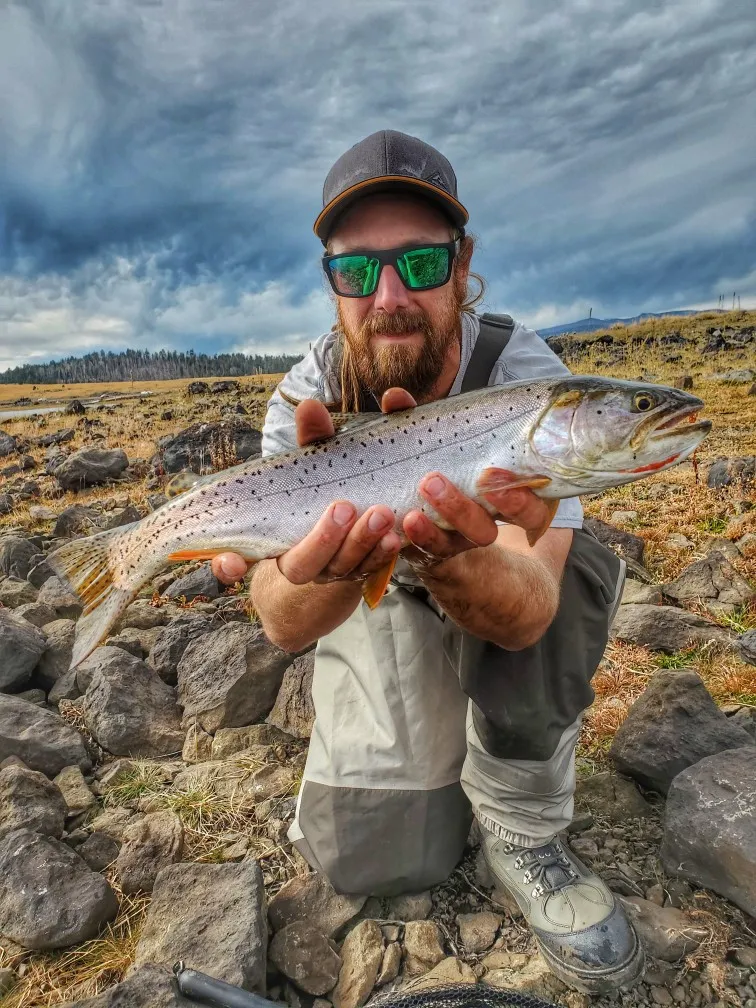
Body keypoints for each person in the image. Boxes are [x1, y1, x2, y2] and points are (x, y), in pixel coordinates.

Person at [212, 130, 643, 995]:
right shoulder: (305, 396)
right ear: (332, 283)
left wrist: (454, 558)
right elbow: (278, 619)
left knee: (578, 571)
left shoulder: (527, 380)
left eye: (420, 262)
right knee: (377, 853)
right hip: (372, 597)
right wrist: (326, 568)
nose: (391, 294)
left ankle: (522, 819)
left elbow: (527, 609)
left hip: (493, 586)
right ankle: (431, 730)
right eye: (358, 271)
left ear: (464, 263)